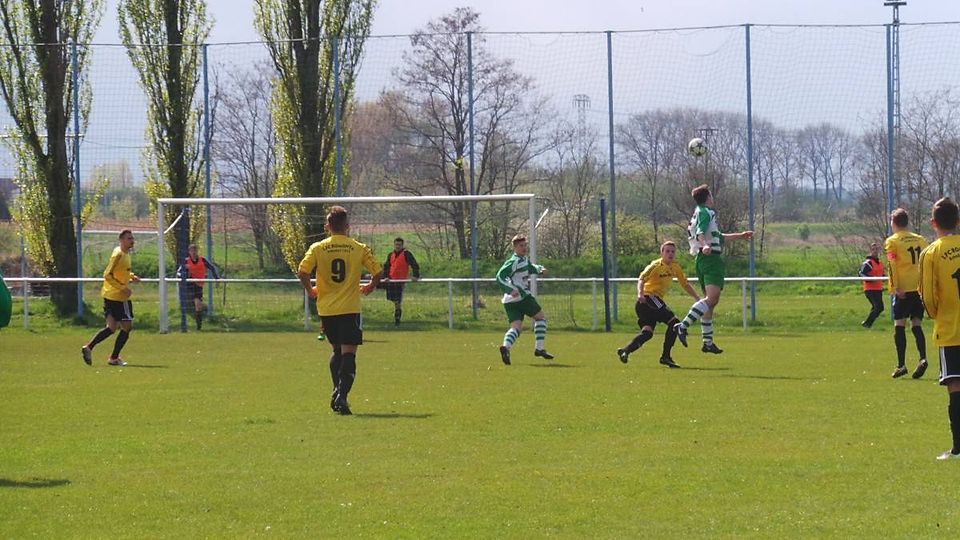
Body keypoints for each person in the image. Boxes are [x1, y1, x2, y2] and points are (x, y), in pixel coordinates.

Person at [297, 206, 382, 416]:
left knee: (337, 351)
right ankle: (341, 396)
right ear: (347, 226)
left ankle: (336, 391)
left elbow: (302, 271)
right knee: (349, 353)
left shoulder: (318, 248)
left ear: (327, 227)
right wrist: (370, 286)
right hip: (350, 308)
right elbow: (378, 271)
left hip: (326, 309)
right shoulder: (358, 248)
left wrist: (310, 290)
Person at [674, 184, 753, 353]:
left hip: (702, 260)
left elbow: (718, 237)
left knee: (710, 302)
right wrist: (704, 245)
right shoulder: (705, 212)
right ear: (707, 197)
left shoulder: (698, 212)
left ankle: (707, 342)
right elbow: (700, 233)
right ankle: (683, 326)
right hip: (710, 259)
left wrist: (740, 236)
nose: (712, 198)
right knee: (711, 299)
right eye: (711, 195)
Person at [918, 197, 960, 460]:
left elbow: (926, 295)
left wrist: (937, 315)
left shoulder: (931, 252)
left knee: (955, 385)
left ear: (933, 223)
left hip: (950, 329)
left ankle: (958, 448)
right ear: (958, 221)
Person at [617, 241, 701, 369]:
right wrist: (640, 294)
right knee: (674, 323)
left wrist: (697, 298)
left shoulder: (675, 267)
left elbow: (685, 284)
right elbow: (641, 279)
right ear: (662, 253)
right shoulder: (655, 265)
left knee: (647, 333)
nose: (670, 254)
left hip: (651, 303)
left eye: (672, 251)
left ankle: (625, 351)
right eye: (667, 251)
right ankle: (665, 357)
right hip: (648, 299)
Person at [81, 230, 141, 366]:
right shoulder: (119, 254)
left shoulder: (123, 253)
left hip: (109, 295)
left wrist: (132, 276)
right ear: (121, 240)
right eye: (129, 238)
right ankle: (114, 358)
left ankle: (88, 347)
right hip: (119, 297)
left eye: (132, 238)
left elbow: (120, 271)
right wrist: (122, 288)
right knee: (127, 327)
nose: (132, 241)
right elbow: (107, 274)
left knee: (112, 327)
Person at [495, 234, 553, 365]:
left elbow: (531, 267)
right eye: (521, 246)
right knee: (540, 318)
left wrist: (540, 269)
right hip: (522, 297)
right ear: (514, 248)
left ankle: (505, 347)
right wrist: (510, 289)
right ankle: (539, 349)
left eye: (525, 245)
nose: (524, 248)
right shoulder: (514, 261)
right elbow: (499, 276)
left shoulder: (523, 260)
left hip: (509, 301)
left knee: (516, 327)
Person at [885, 208, 929, 379]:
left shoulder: (892, 241)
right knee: (916, 324)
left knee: (899, 325)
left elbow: (892, 265)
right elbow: (927, 261)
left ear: (894, 223)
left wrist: (895, 287)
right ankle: (923, 358)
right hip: (919, 288)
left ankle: (901, 365)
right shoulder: (920, 239)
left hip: (903, 289)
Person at [177, 244, 220, 331]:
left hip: (199, 285)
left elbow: (212, 268)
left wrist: (217, 278)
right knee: (197, 303)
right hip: (190, 284)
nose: (193, 252)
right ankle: (195, 327)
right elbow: (178, 272)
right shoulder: (186, 261)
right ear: (189, 252)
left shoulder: (202, 260)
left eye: (195, 250)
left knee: (199, 306)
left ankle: (199, 327)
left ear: (197, 251)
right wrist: (182, 276)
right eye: (192, 251)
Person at [381, 237, 420, 326]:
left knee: (397, 301)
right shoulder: (390, 255)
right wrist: (386, 277)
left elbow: (414, 265)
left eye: (399, 245)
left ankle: (397, 320)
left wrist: (415, 276)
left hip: (400, 281)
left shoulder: (406, 254)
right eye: (396, 244)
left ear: (402, 245)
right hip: (391, 280)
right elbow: (386, 267)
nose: (397, 246)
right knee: (393, 300)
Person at [859, 242, 885, 328]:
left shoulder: (880, 263)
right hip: (870, 289)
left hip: (878, 289)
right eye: (873, 249)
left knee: (878, 307)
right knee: (878, 307)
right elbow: (861, 273)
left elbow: (881, 274)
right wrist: (870, 279)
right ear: (870, 251)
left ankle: (867, 323)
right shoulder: (868, 263)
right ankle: (867, 323)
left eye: (877, 249)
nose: (875, 251)